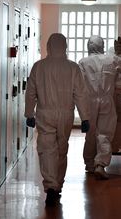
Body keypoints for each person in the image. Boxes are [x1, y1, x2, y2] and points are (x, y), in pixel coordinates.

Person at [25, 33, 90, 206]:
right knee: (62, 150)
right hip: (66, 115)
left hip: (45, 113)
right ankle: (57, 185)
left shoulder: (38, 67)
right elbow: (80, 94)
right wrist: (85, 118)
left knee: (47, 150)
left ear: (48, 46)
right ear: (65, 46)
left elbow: (31, 92)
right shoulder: (73, 68)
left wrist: (29, 113)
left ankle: (51, 186)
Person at [78, 35, 121, 180]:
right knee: (104, 133)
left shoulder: (83, 62)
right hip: (106, 100)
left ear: (89, 46)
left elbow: (78, 84)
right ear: (102, 46)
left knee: (90, 132)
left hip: (89, 101)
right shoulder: (111, 59)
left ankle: (89, 164)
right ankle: (100, 165)